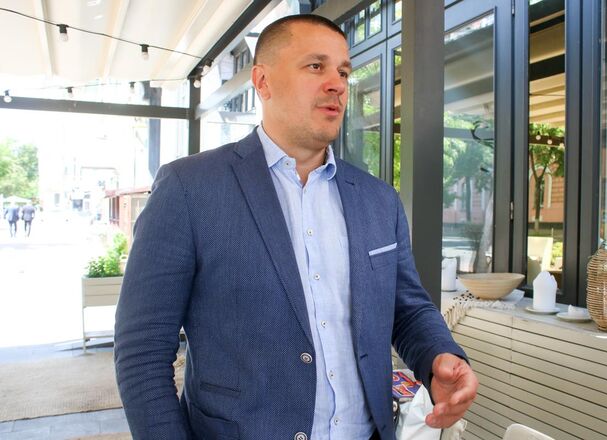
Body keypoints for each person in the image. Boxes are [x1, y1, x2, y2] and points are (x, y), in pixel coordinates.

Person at [114, 14, 478, 440]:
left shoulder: (379, 200)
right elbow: (142, 351)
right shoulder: (189, 189)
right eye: (316, 66)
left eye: (343, 72)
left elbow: (407, 308)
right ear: (263, 81)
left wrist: (438, 355)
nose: (337, 84)